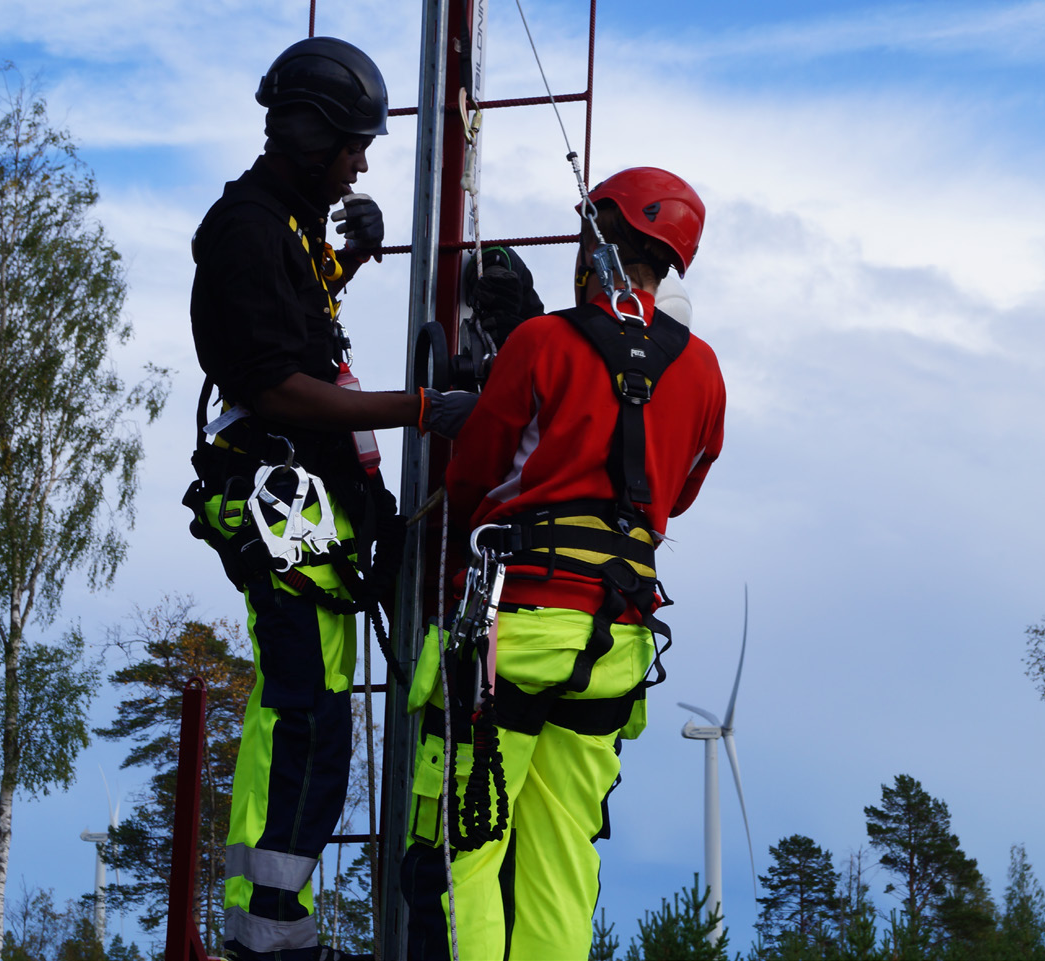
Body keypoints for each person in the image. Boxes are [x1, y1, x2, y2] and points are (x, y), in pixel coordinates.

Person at [185, 36, 472, 960]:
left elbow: (293, 329)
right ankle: (267, 934)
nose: (359, 164)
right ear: (305, 132)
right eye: (351, 144)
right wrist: (424, 408)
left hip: (313, 501)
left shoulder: (289, 231)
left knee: (315, 708)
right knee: (306, 713)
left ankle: (274, 927)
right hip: (284, 496)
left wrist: (346, 262)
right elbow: (277, 382)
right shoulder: (249, 229)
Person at [401, 167, 726, 960]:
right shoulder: (704, 372)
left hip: (516, 628)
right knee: (561, 859)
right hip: (615, 644)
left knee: (461, 850)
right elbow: (676, 498)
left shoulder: (540, 343)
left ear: (601, 244)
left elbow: (473, 473)